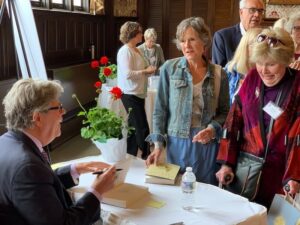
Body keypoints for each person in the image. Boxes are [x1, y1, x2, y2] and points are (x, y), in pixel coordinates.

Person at [0, 78, 116, 225]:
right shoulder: (27, 167)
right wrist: (97, 191)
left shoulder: (6, 142)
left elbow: (37, 190)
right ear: (37, 118)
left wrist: (76, 169)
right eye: (59, 107)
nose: (64, 112)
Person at [216, 28, 300, 208]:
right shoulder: (252, 78)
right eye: (260, 63)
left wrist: (295, 176)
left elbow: (298, 137)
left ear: (285, 61)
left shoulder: (297, 86)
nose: (264, 70)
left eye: (271, 64)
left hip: (282, 179)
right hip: (245, 174)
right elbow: (234, 122)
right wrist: (226, 163)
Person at [146, 17, 229, 185]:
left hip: (206, 144)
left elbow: (225, 112)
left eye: (192, 39)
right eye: (182, 40)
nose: (186, 45)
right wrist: (157, 145)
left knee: (205, 192)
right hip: (177, 143)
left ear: (204, 40)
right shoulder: (169, 68)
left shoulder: (220, 73)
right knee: (176, 191)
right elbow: (159, 110)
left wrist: (213, 129)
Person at [117, 21, 156, 159]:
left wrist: (149, 71)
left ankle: (130, 155)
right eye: (140, 32)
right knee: (142, 127)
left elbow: (143, 68)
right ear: (133, 34)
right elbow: (128, 74)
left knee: (133, 128)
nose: (142, 34)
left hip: (138, 92)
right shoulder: (125, 51)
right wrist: (145, 71)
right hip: (129, 93)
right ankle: (147, 156)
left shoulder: (137, 49)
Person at [212, 0, 264, 67]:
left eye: (260, 11)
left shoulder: (266, 37)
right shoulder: (222, 37)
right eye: (252, 10)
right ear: (241, 12)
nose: (257, 14)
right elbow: (218, 72)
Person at [224, 27, 262, 104]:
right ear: (245, 47)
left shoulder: (266, 71)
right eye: (255, 45)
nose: (260, 49)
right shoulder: (230, 70)